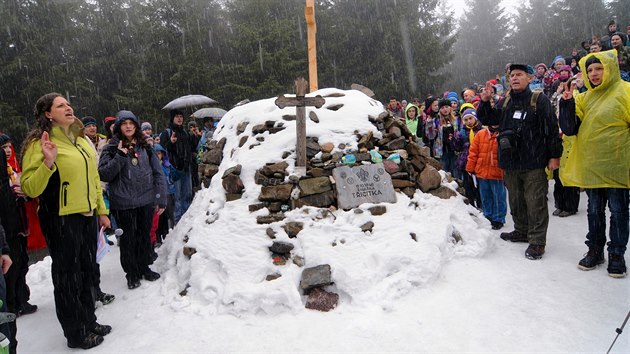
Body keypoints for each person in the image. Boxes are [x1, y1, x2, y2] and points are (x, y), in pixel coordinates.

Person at [20, 92, 112, 349]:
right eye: (61, 105)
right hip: (60, 218)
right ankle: (75, 332)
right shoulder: (40, 143)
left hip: (87, 216)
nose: (68, 108)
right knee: (68, 276)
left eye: (69, 104)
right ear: (48, 114)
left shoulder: (81, 140)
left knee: (86, 271)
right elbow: (29, 188)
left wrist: (101, 210)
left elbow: (94, 179)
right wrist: (47, 163)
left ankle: (88, 320)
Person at [477, 64, 562, 260]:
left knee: (535, 203)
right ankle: (521, 230)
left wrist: (554, 156)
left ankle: (537, 241)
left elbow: (551, 129)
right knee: (516, 201)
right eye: (512, 75)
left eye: (519, 75)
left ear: (530, 78)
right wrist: (485, 102)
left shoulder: (538, 100)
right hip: (510, 162)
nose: (514, 78)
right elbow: (489, 119)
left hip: (533, 161)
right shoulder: (505, 101)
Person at [558, 50, 630, 278]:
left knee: (619, 212)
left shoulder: (625, 91)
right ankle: (595, 250)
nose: (594, 73)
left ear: (609, 69)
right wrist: (567, 103)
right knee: (594, 211)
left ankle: (617, 254)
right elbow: (570, 128)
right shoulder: (583, 97)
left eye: (598, 68)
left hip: (618, 165)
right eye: (589, 70)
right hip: (592, 166)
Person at [98, 110, 166, 289]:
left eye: (131, 123)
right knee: (128, 240)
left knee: (144, 236)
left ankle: (144, 267)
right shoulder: (111, 148)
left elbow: (158, 172)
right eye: (124, 123)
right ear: (119, 127)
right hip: (123, 203)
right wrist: (119, 157)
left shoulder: (145, 146)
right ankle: (132, 273)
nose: (128, 126)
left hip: (146, 200)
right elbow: (104, 174)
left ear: (136, 126)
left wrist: (160, 196)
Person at [465, 123, 507, 230]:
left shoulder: (503, 134)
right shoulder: (480, 134)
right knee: (485, 195)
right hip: (482, 171)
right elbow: (473, 152)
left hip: (497, 171)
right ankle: (487, 215)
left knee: (498, 196)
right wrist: (470, 167)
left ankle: (498, 218)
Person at [159, 109, 195, 223]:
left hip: (186, 168)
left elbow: (192, 149)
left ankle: (186, 221)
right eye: (177, 116)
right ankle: (177, 223)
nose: (179, 118)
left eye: (181, 116)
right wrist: (171, 142)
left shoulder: (185, 132)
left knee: (187, 195)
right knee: (176, 198)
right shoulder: (167, 133)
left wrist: (194, 137)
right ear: (172, 118)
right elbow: (161, 151)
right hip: (174, 170)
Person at [456, 108, 483, 210]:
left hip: (479, 161)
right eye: (466, 120)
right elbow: (458, 147)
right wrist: (453, 140)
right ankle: (471, 205)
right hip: (465, 161)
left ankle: (481, 205)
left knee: (479, 186)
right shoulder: (462, 131)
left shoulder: (481, 130)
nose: (468, 121)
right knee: (468, 185)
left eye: (470, 118)